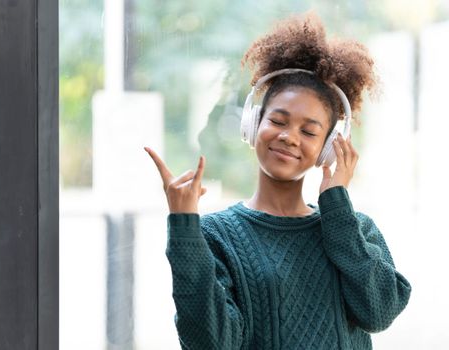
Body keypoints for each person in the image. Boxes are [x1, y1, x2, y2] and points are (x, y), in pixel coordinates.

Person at [145, 12, 411, 350]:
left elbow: (380, 312)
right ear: (253, 123)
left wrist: (337, 206)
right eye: (278, 120)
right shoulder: (215, 235)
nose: (289, 137)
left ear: (329, 146)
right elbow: (210, 344)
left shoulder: (355, 229)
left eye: (309, 131)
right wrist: (184, 226)